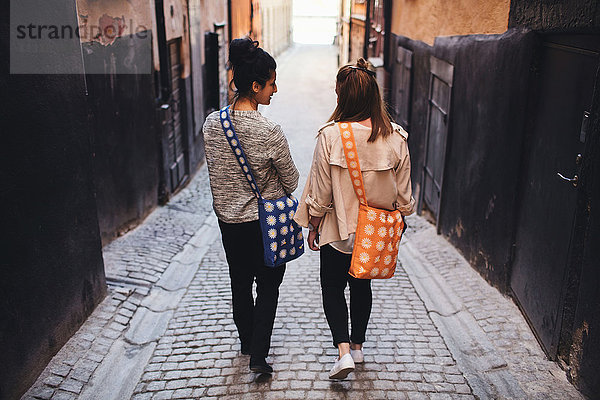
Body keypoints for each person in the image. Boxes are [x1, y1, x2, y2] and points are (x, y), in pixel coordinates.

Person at [295, 58, 415, 379]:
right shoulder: (396, 138)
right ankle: (359, 348)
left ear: (343, 98)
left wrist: (314, 224)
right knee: (361, 288)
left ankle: (344, 352)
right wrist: (399, 218)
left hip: (339, 230)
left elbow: (320, 193)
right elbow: (404, 198)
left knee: (332, 288)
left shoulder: (331, 136)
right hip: (373, 232)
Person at [202, 37, 299, 374]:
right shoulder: (270, 130)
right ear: (255, 85)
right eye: (271, 83)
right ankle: (259, 355)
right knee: (269, 285)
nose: (275, 89)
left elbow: (216, 172)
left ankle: (246, 341)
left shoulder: (212, 125)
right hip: (264, 223)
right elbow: (292, 180)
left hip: (229, 223)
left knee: (239, 283)